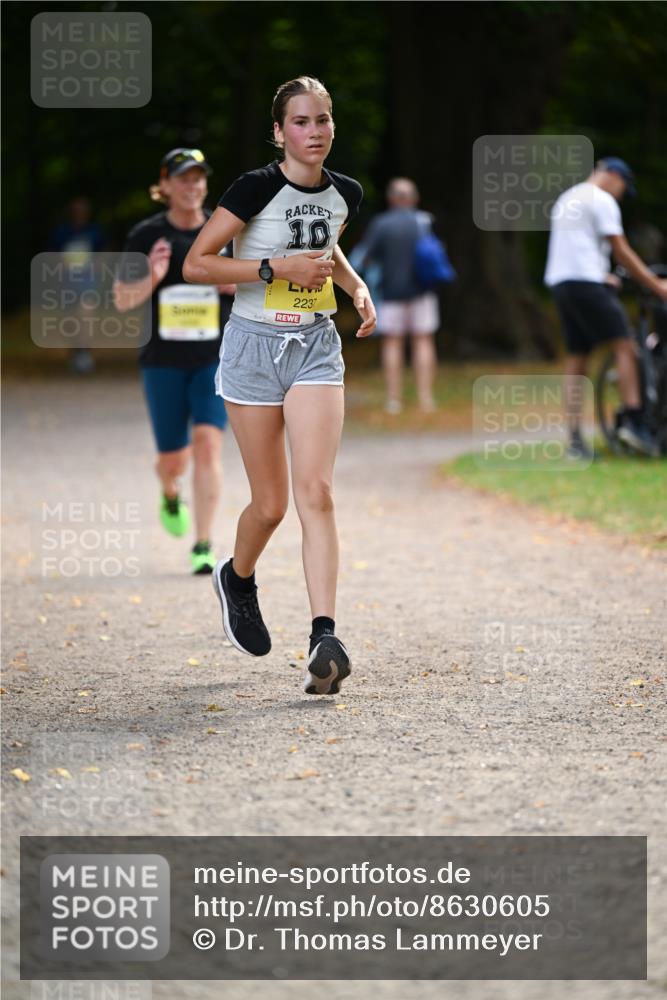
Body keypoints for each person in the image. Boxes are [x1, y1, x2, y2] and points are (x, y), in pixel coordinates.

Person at [183, 76, 376, 695]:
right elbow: (197, 263)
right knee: (270, 505)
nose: (314, 132)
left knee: (315, 490)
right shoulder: (254, 188)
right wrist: (272, 268)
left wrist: (356, 287)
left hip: (316, 346)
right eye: (301, 122)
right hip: (252, 348)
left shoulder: (345, 193)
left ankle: (325, 635)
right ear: (279, 131)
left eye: (322, 120)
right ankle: (237, 579)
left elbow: (329, 248)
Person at [114, 148, 234, 574]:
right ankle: (169, 489)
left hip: (214, 359)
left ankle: (203, 544)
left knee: (207, 445)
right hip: (162, 362)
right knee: (175, 460)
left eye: (198, 178)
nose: (192, 186)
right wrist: (153, 276)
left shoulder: (223, 231)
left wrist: (233, 285)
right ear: (164, 186)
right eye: (183, 178)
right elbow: (122, 300)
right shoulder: (146, 236)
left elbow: (255, 283)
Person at [545, 157, 667, 458]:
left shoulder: (567, 198)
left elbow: (573, 248)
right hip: (586, 284)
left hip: (562, 283)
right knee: (624, 347)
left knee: (577, 358)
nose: (621, 195)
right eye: (623, 188)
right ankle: (635, 422)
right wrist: (657, 285)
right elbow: (621, 250)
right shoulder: (601, 200)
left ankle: (574, 440)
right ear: (614, 176)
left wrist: (602, 274)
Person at [360, 178, 441, 414]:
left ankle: (393, 400)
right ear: (414, 198)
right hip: (422, 291)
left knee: (392, 342)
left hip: (391, 292)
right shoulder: (424, 221)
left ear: (392, 198)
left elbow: (366, 257)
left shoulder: (381, 224)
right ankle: (426, 399)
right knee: (423, 341)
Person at [48, 195, 105, 375]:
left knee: (86, 314)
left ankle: (85, 352)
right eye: (76, 210)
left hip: (88, 280)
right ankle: (75, 352)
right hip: (67, 281)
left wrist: (97, 267)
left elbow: (103, 254)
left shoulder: (94, 232)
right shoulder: (62, 232)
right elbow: (52, 257)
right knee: (71, 320)